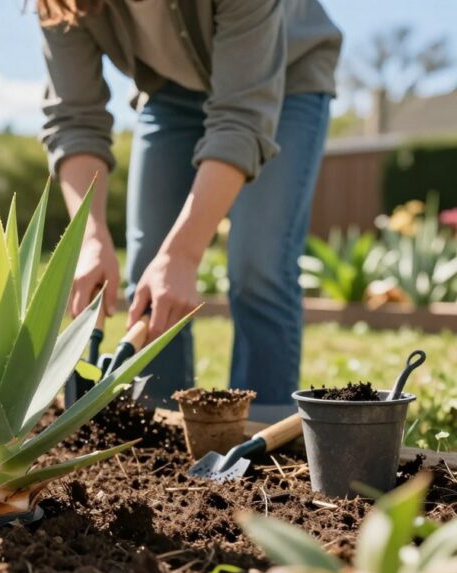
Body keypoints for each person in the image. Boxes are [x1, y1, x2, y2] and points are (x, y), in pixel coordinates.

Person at [38, 0, 342, 422]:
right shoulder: (62, 3)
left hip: (286, 78)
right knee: (149, 264)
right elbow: (74, 119)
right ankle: (159, 423)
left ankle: (259, 429)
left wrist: (183, 254)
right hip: (170, 92)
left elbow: (241, 119)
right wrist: (89, 239)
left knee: (259, 263)